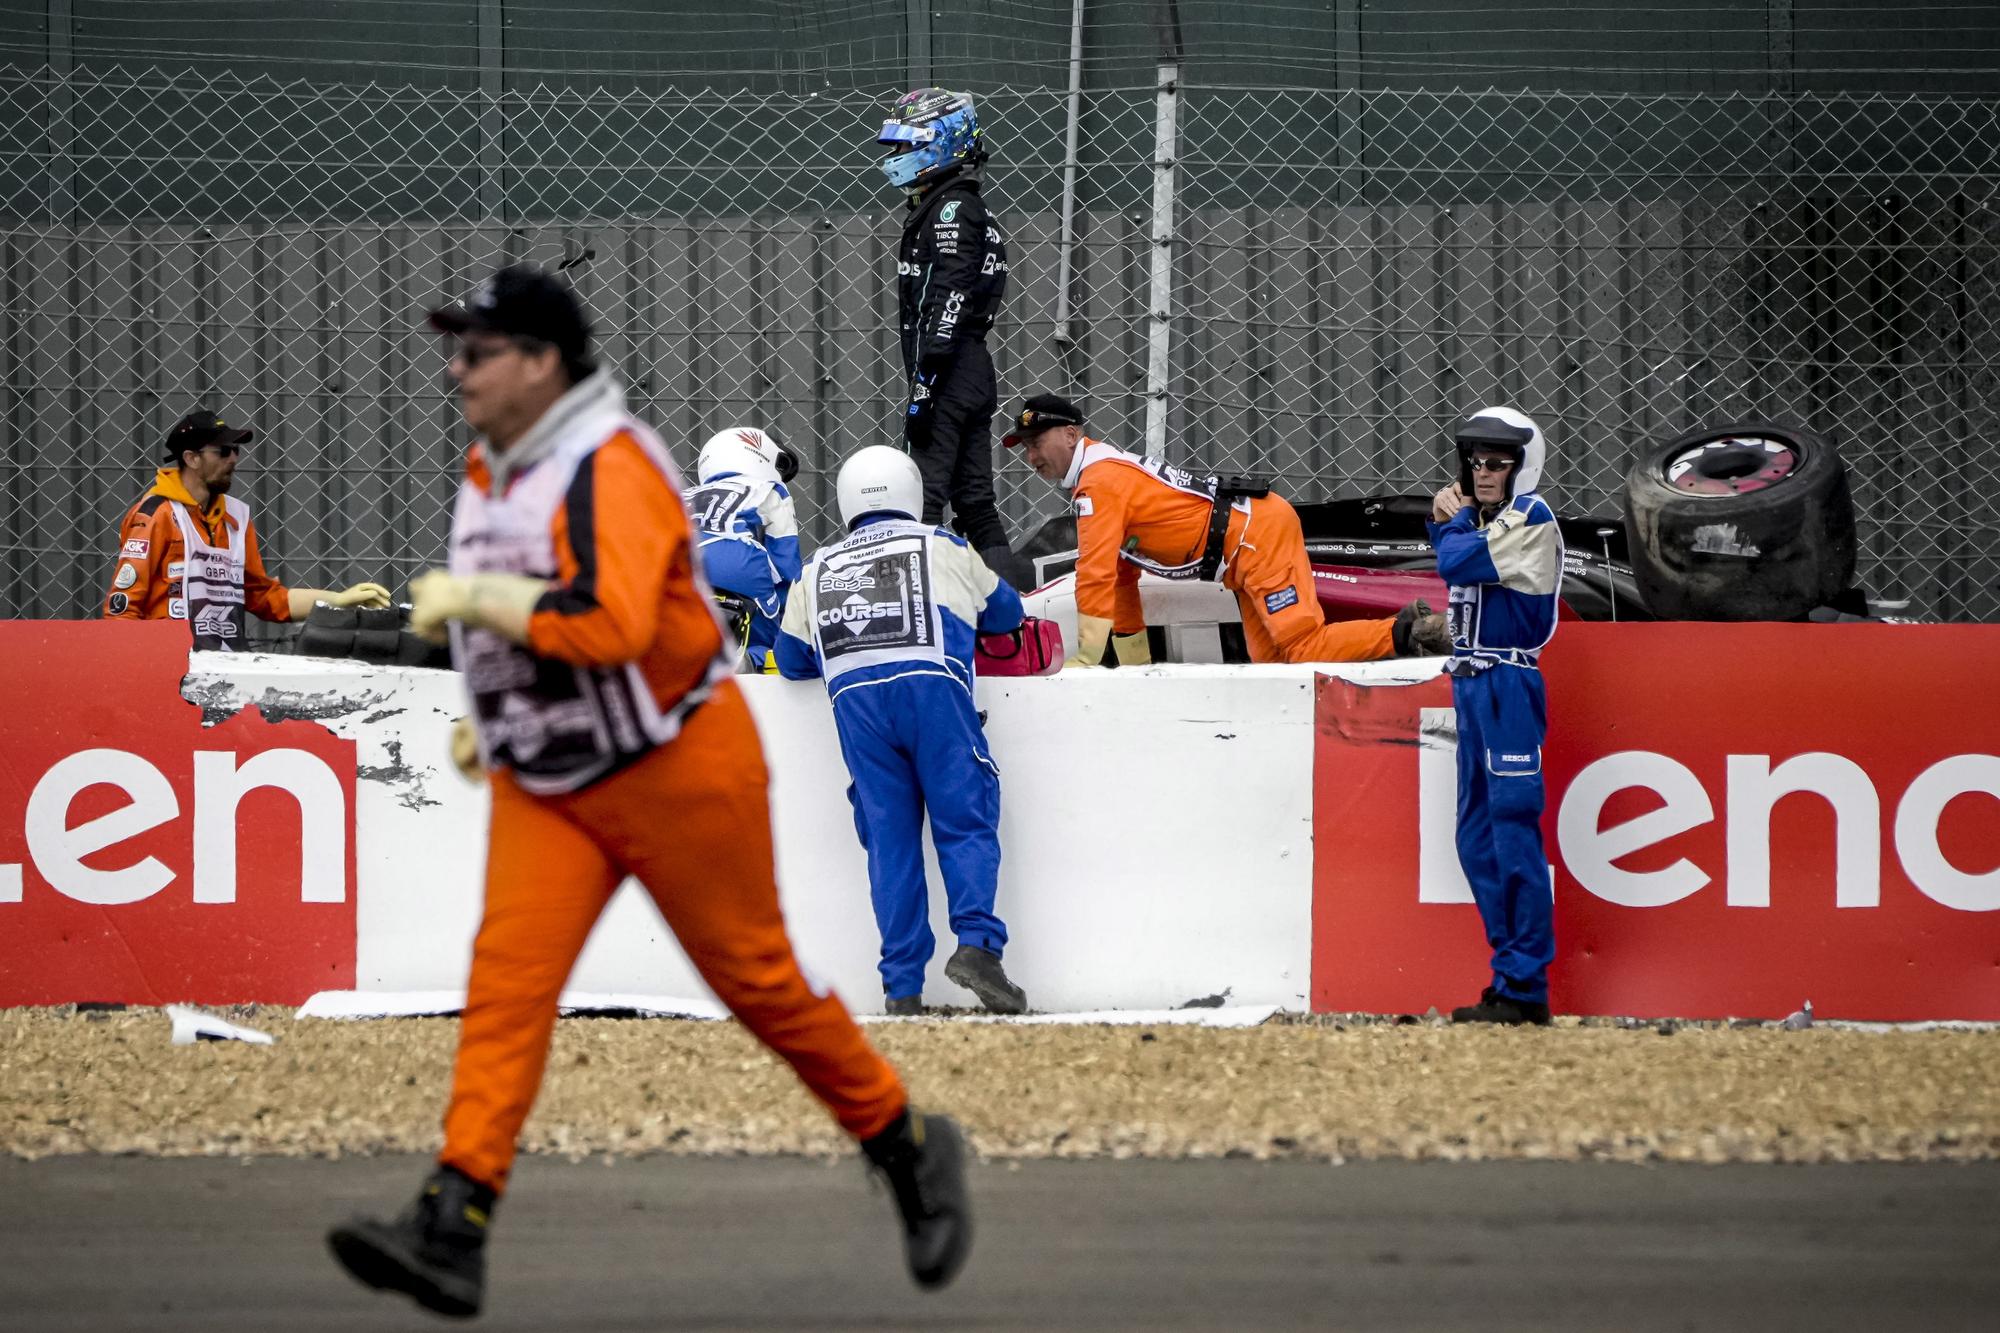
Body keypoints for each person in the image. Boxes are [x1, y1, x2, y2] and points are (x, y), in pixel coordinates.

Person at [325, 265, 971, 1318]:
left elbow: (610, 627)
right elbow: (508, 635)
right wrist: (490, 726)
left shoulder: (610, 464)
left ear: (539, 365)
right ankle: (454, 1221)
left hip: (678, 769)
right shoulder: (491, 473)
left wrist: (472, 600)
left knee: (759, 985)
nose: (458, 369)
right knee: (507, 980)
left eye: (478, 352)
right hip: (559, 779)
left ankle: (906, 1147)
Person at [775, 445, 1028, 1017]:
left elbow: (790, 660)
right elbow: (1006, 614)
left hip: (857, 708)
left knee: (889, 846)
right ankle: (978, 950)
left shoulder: (815, 570)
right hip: (933, 693)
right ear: (912, 494)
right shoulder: (944, 546)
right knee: (964, 821)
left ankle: (902, 990)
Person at [1006, 394, 1447, 667]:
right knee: (1273, 662)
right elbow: (1121, 577)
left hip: (1258, 536)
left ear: (1070, 434)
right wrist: (1134, 665)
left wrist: (1087, 655)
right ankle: (1409, 631)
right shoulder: (1100, 476)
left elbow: (1096, 574)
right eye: (1025, 448)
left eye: (1037, 444)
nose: (1031, 457)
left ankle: (1414, 632)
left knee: (1301, 647)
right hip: (1246, 545)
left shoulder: (1099, 483)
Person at [1426, 406, 1564, 1026]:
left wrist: (1449, 521)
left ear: (1521, 466)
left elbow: (1456, 562)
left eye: (1498, 461)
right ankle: (1508, 975)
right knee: (1475, 837)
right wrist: (1454, 526)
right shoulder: (1481, 521)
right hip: (1471, 681)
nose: (1484, 472)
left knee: (1512, 831)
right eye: (1476, 461)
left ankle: (1525, 988)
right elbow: (1456, 555)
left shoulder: (1530, 517)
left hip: (1508, 680)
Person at [876, 87, 1033, 591]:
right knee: (974, 502)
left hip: (949, 371)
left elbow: (948, 298)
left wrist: (926, 380)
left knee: (919, 497)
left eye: (908, 145)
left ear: (941, 143)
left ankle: (912, 609)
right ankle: (1013, 612)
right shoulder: (960, 207)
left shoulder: (951, 210)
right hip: (969, 370)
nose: (898, 157)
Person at [103, 410, 388, 647]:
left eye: (236, 450)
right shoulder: (156, 515)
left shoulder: (236, 517)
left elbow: (264, 597)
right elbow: (122, 611)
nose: (234, 459)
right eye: (223, 451)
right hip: (168, 671)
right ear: (191, 458)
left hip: (226, 671)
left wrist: (338, 600)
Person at [688, 425, 802, 668]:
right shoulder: (769, 489)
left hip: (679, 568)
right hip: (737, 563)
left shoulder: (685, 495)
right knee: (772, 630)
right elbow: (786, 563)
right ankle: (754, 659)